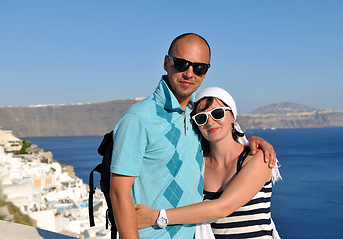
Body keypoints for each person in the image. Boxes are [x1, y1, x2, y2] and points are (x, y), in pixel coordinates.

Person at [110, 33, 277, 239]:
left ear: (205, 72)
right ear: (166, 62)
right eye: (181, 64)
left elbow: (223, 205)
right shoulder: (139, 118)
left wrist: (254, 141)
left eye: (199, 68)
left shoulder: (191, 117)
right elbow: (119, 192)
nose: (189, 73)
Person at [134, 87, 282, 239]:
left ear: (233, 116)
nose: (210, 122)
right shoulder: (197, 164)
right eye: (201, 118)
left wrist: (157, 217)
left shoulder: (257, 158)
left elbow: (223, 208)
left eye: (218, 113)